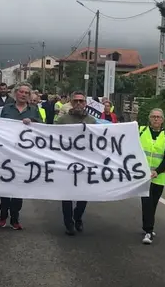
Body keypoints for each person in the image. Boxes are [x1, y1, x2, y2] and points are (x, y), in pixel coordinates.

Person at [0, 82, 40, 230]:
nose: (23, 95)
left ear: (29, 96)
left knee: (19, 187)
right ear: (15, 93)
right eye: (21, 92)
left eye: (26, 93)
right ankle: (3, 214)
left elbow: (42, 128)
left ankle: (15, 218)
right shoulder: (7, 108)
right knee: (4, 184)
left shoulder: (34, 110)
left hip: (24, 155)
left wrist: (32, 122)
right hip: (7, 153)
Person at [56, 90, 97, 236]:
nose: (78, 103)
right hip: (66, 164)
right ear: (71, 102)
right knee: (66, 195)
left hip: (85, 164)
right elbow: (53, 138)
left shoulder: (92, 121)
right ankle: (69, 223)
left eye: (81, 101)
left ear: (85, 103)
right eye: (76, 101)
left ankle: (77, 216)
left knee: (83, 194)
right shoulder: (62, 120)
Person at [138, 108, 165, 244]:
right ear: (149, 118)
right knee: (146, 202)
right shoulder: (141, 131)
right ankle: (148, 231)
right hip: (143, 176)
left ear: (162, 120)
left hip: (159, 176)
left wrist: (157, 171)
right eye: (153, 117)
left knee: (153, 204)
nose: (156, 119)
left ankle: (147, 226)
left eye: (158, 117)